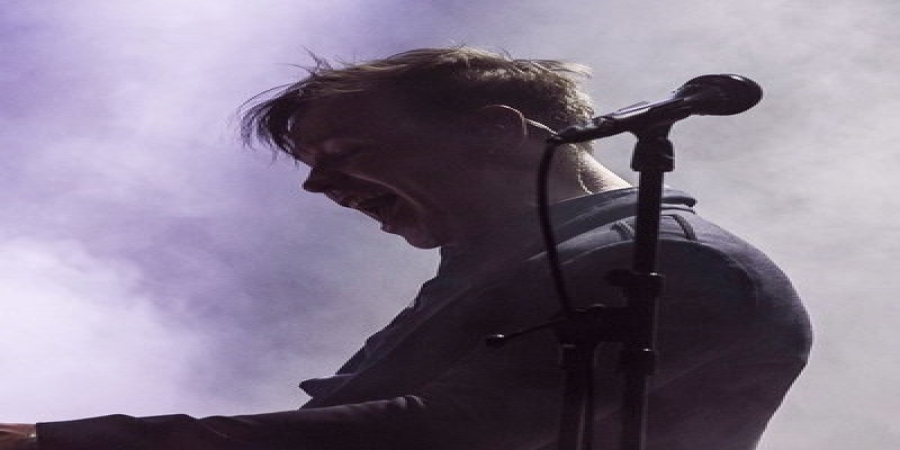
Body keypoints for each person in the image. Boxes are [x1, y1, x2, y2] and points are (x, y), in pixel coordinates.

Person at [0, 47, 812, 450]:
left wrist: (54, 443)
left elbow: (446, 433)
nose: (319, 188)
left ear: (497, 131)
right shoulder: (511, 269)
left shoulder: (670, 265)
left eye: (343, 155)